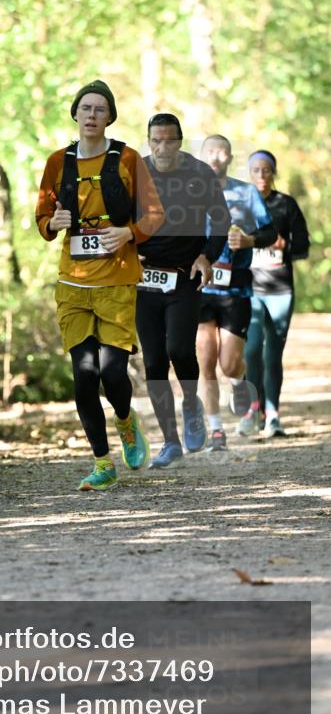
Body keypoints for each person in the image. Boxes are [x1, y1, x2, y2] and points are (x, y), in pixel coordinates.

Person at [36, 80, 165, 491]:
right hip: (72, 283)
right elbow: (42, 217)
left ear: (110, 117)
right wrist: (51, 224)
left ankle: (126, 422)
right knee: (84, 375)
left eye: (100, 109)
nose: (92, 115)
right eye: (85, 108)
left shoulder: (127, 159)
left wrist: (129, 234)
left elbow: (154, 214)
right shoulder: (58, 161)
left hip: (117, 279)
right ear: (75, 114)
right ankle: (101, 462)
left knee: (112, 372)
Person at [136, 114, 230, 468]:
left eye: (169, 141)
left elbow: (220, 221)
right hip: (144, 280)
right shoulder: (137, 174)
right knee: (154, 361)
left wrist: (207, 255)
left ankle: (191, 401)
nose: (162, 147)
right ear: (148, 141)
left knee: (178, 347)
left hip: (184, 277)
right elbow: (117, 218)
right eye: (155, 141)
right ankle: (170, 441)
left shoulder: (199, 174)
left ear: (179, 140)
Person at [197, 136, 277, 451]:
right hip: (200, 287)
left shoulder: (245, 192)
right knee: (205, 357)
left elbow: (270, 232)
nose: (216, 157)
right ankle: (216, 431)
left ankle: (239, 382)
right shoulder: (189, 191)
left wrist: (249, 241)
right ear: (201, 157)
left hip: (236, 288)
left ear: (230, 157)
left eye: (222, 152)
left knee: (229, 363)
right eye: (210, 152)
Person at [237, 150, 310, 438]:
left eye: (266, 170)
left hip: (279, 289)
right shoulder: (241, 206)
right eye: (256, 170)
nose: (261, 176)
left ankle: (273, 416)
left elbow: (303, 245)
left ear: (273, 173)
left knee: (272, 353)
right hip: (249, 287)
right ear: (249, 173)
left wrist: (284, 246)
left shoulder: (285, 205)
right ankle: (252, 411)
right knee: (251, 349)